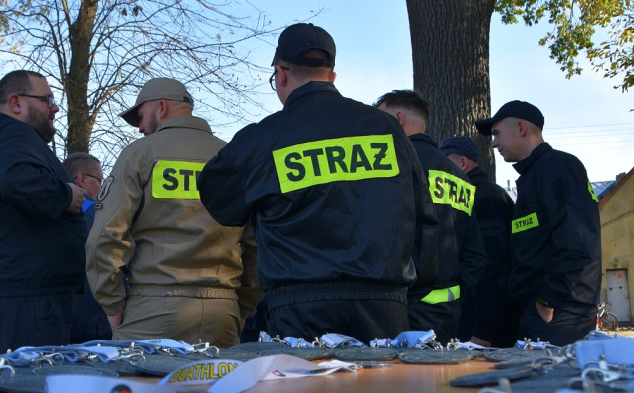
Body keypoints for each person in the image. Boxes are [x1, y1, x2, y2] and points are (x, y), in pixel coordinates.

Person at [198, 23, 438, 343]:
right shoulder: (387, 129)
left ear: (281, 75)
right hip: (384, 309)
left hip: (300, 313)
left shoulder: (265, 138)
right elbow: (424, 213)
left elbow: (219, 200)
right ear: (332, 77)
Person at [86, 78, 259, 348]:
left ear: (162, 107)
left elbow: (103, 237)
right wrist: (243, 307)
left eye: (141, 117)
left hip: (153, 309)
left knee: (143, 389)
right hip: (223, 311)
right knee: (216, 390)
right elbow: (256, 242)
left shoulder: (139, 154)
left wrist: (113, 306)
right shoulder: (232, 157)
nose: (141, 127)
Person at [0, 70, 87, 353]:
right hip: (22, 301)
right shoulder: (14, 134)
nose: (55, 107)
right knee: (25, 391)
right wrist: (65, 194)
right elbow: (12, 179)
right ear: (17, 103)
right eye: (47, 100)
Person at [476, 100, 602, 346]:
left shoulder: (558, 167)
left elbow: (577, 241)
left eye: (497, 134)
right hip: (543, 310)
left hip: (559, 312)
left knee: (547, 382)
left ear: (521, 128)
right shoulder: (534, 175)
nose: (494, 143)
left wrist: (548, 301)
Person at [376, 91, 486, 344]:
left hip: (402, 311)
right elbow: (475, 255)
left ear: (398, 119)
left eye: (380, 118)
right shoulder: (460, 177)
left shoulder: (391, 164)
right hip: (447, 314)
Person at [439, 135, 516, 346]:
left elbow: (495, 270)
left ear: (462, 163)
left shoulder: (486, 198)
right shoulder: (474, 196)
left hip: (483, 332)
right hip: (468, 323)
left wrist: (483, 333)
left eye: (444, 161)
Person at [63, 152, 112, 342]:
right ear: (82, 179)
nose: (101, 187)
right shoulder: (97, 215)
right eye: (100, 180)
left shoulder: (48, 211)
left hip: (59, 320)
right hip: (95, 323)